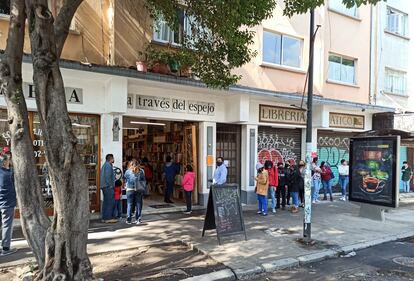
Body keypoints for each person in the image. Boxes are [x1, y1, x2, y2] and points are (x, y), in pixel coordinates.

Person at [0, 153, 17, 256]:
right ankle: (6, 249)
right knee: (7, 225)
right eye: (8, 160)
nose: (9, 162)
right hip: (7, 203)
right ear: (4, 162)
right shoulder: (10, 173)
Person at [124, 160, 146, 224]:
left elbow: (125, 179)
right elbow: (144, 180)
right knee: (138, 204)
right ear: (138, 164)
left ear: (130, 164)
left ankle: (128, 219)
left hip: (129, 189)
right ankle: (138, 219)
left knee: (129, 204)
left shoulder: (127, 171)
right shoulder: (141, 171)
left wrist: (126, 186)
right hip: (139, 189)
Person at [100, 154, 117, 223]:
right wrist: (111, 186)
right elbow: (108, 177)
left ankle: (105, 218)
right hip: (107, 187)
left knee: (106, 202)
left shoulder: (106, 165)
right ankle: (108, 218)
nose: (113, 160)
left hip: (105, 187)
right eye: (113, 158)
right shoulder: (108, 166)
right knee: (110, 202)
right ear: (111, 159)